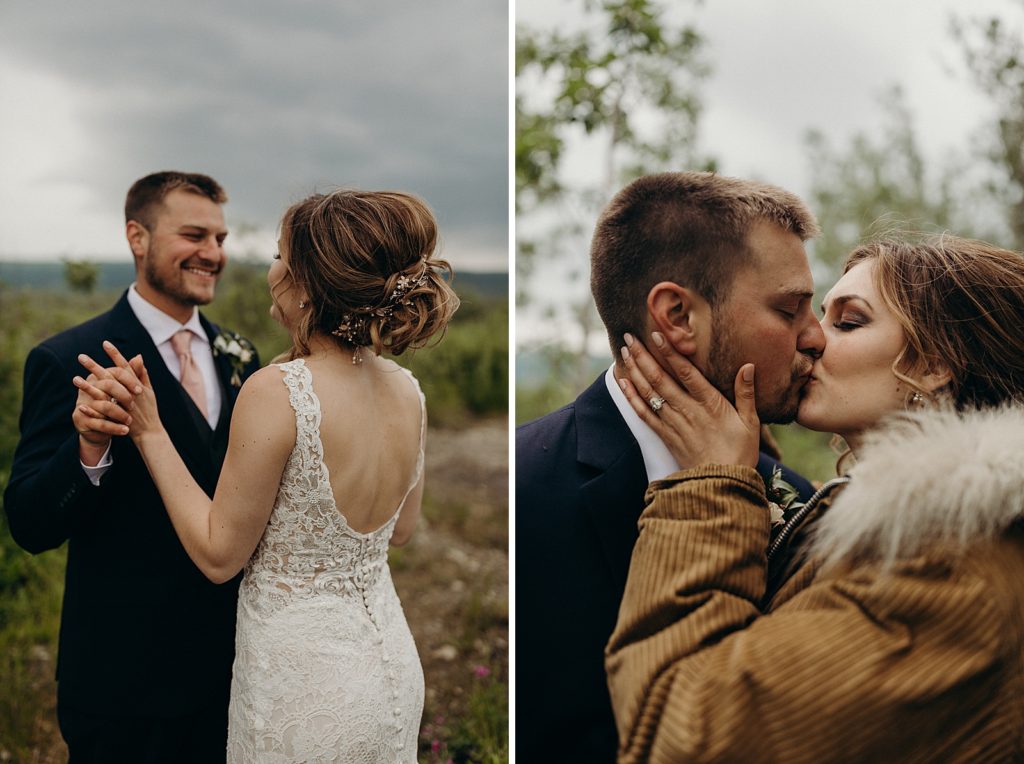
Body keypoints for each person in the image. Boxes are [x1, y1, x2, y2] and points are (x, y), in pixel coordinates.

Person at [608, 234, 1024, 762]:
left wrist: (711, 484)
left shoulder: (950, 580)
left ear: (934, 363)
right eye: (811, 315)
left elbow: (678, 736)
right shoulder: (909, 533)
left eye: (847, 322)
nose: (810, 339)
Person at [77, 189, 459, 762]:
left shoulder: (277, 392)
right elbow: (400, 531)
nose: (269, 269)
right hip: (390, 672)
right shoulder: (408, 390)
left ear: (307, 284)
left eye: (280, 256)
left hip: (302, 685)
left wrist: (148, 430)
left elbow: (218, 555)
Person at [516, 171, 826, 762]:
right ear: (678, 316)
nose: (815, 337)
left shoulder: (799, 501)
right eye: (789, 311)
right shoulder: (524, 485)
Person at [3, 171, 258, 762]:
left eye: (220, 239)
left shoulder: (242, 356)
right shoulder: (70, 358)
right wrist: (87, 449)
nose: (213, 253)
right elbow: (30, 523)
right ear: (137, 237)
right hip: (122, 686)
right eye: (194, 235)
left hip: (230, 675)